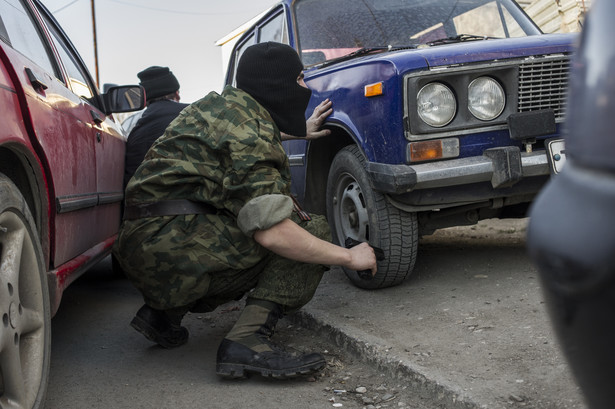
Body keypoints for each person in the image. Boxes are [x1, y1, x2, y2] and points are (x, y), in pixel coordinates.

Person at [112, 42, 377, 379]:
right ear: (275, 84)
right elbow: (274, 232)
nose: (305, 87)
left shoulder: (217, 106)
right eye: (298, 78)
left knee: (224, 218)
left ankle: (162, 315)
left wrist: (296, 131)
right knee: (309, 230)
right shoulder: (250, 135)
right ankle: (247, 341)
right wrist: (349, 257)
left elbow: (231, 140)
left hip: (140, 246)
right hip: (172, 251)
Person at [123, 66, 189, 189]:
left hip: (147, 201)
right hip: (200, 198)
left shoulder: (135, 130)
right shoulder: (197, 113)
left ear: (145, 101)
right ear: (176, 94)